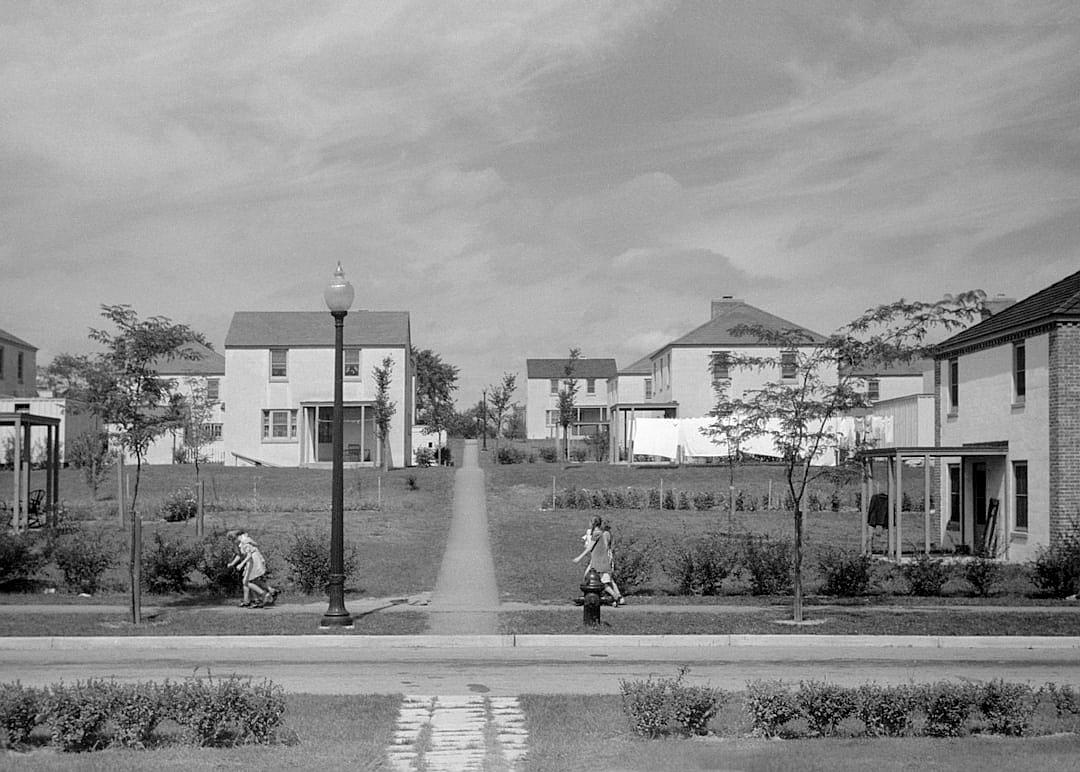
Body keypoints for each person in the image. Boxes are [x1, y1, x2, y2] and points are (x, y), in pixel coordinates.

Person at [573, 516, 625, 606]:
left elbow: (590, 547)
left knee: (602, 583)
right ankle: (606, 598)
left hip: (600, 562)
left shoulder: (597, 534)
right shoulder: (600, 533)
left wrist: (579, 557)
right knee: (592, 579)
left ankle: (615, 597)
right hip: (597, 561)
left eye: (590, 522)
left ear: (593, 523)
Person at [227, 530, 279, 608]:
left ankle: (264, 595)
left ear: (236, 538)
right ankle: (253, 600)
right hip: (251, 562)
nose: (233, 543)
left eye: (233, 540)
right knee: (250, 581)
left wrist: (241, 564)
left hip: (254, 561)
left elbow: (249, 555)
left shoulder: (245, 542)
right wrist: (232, 563)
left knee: (247, 581)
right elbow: (240, 555)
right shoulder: (241, 543)